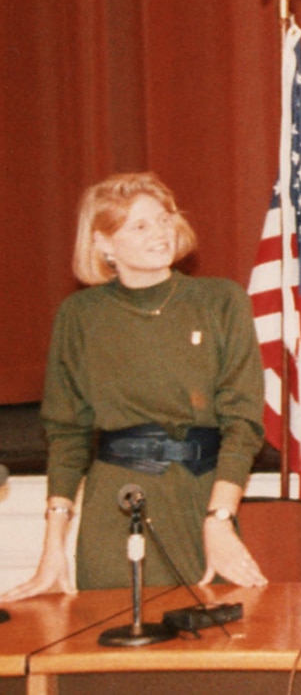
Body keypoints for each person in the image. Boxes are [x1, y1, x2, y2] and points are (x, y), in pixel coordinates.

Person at [0, 172, 268, 601]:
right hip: (118, 509)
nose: (161, 233)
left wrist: (219, 518)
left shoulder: (221, 301)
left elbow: (243, 423)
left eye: (165, 219)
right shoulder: (80, 315)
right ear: (104, 244)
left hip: (202, 505)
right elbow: (67, 436)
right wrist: (52, 550)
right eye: (140, 226)